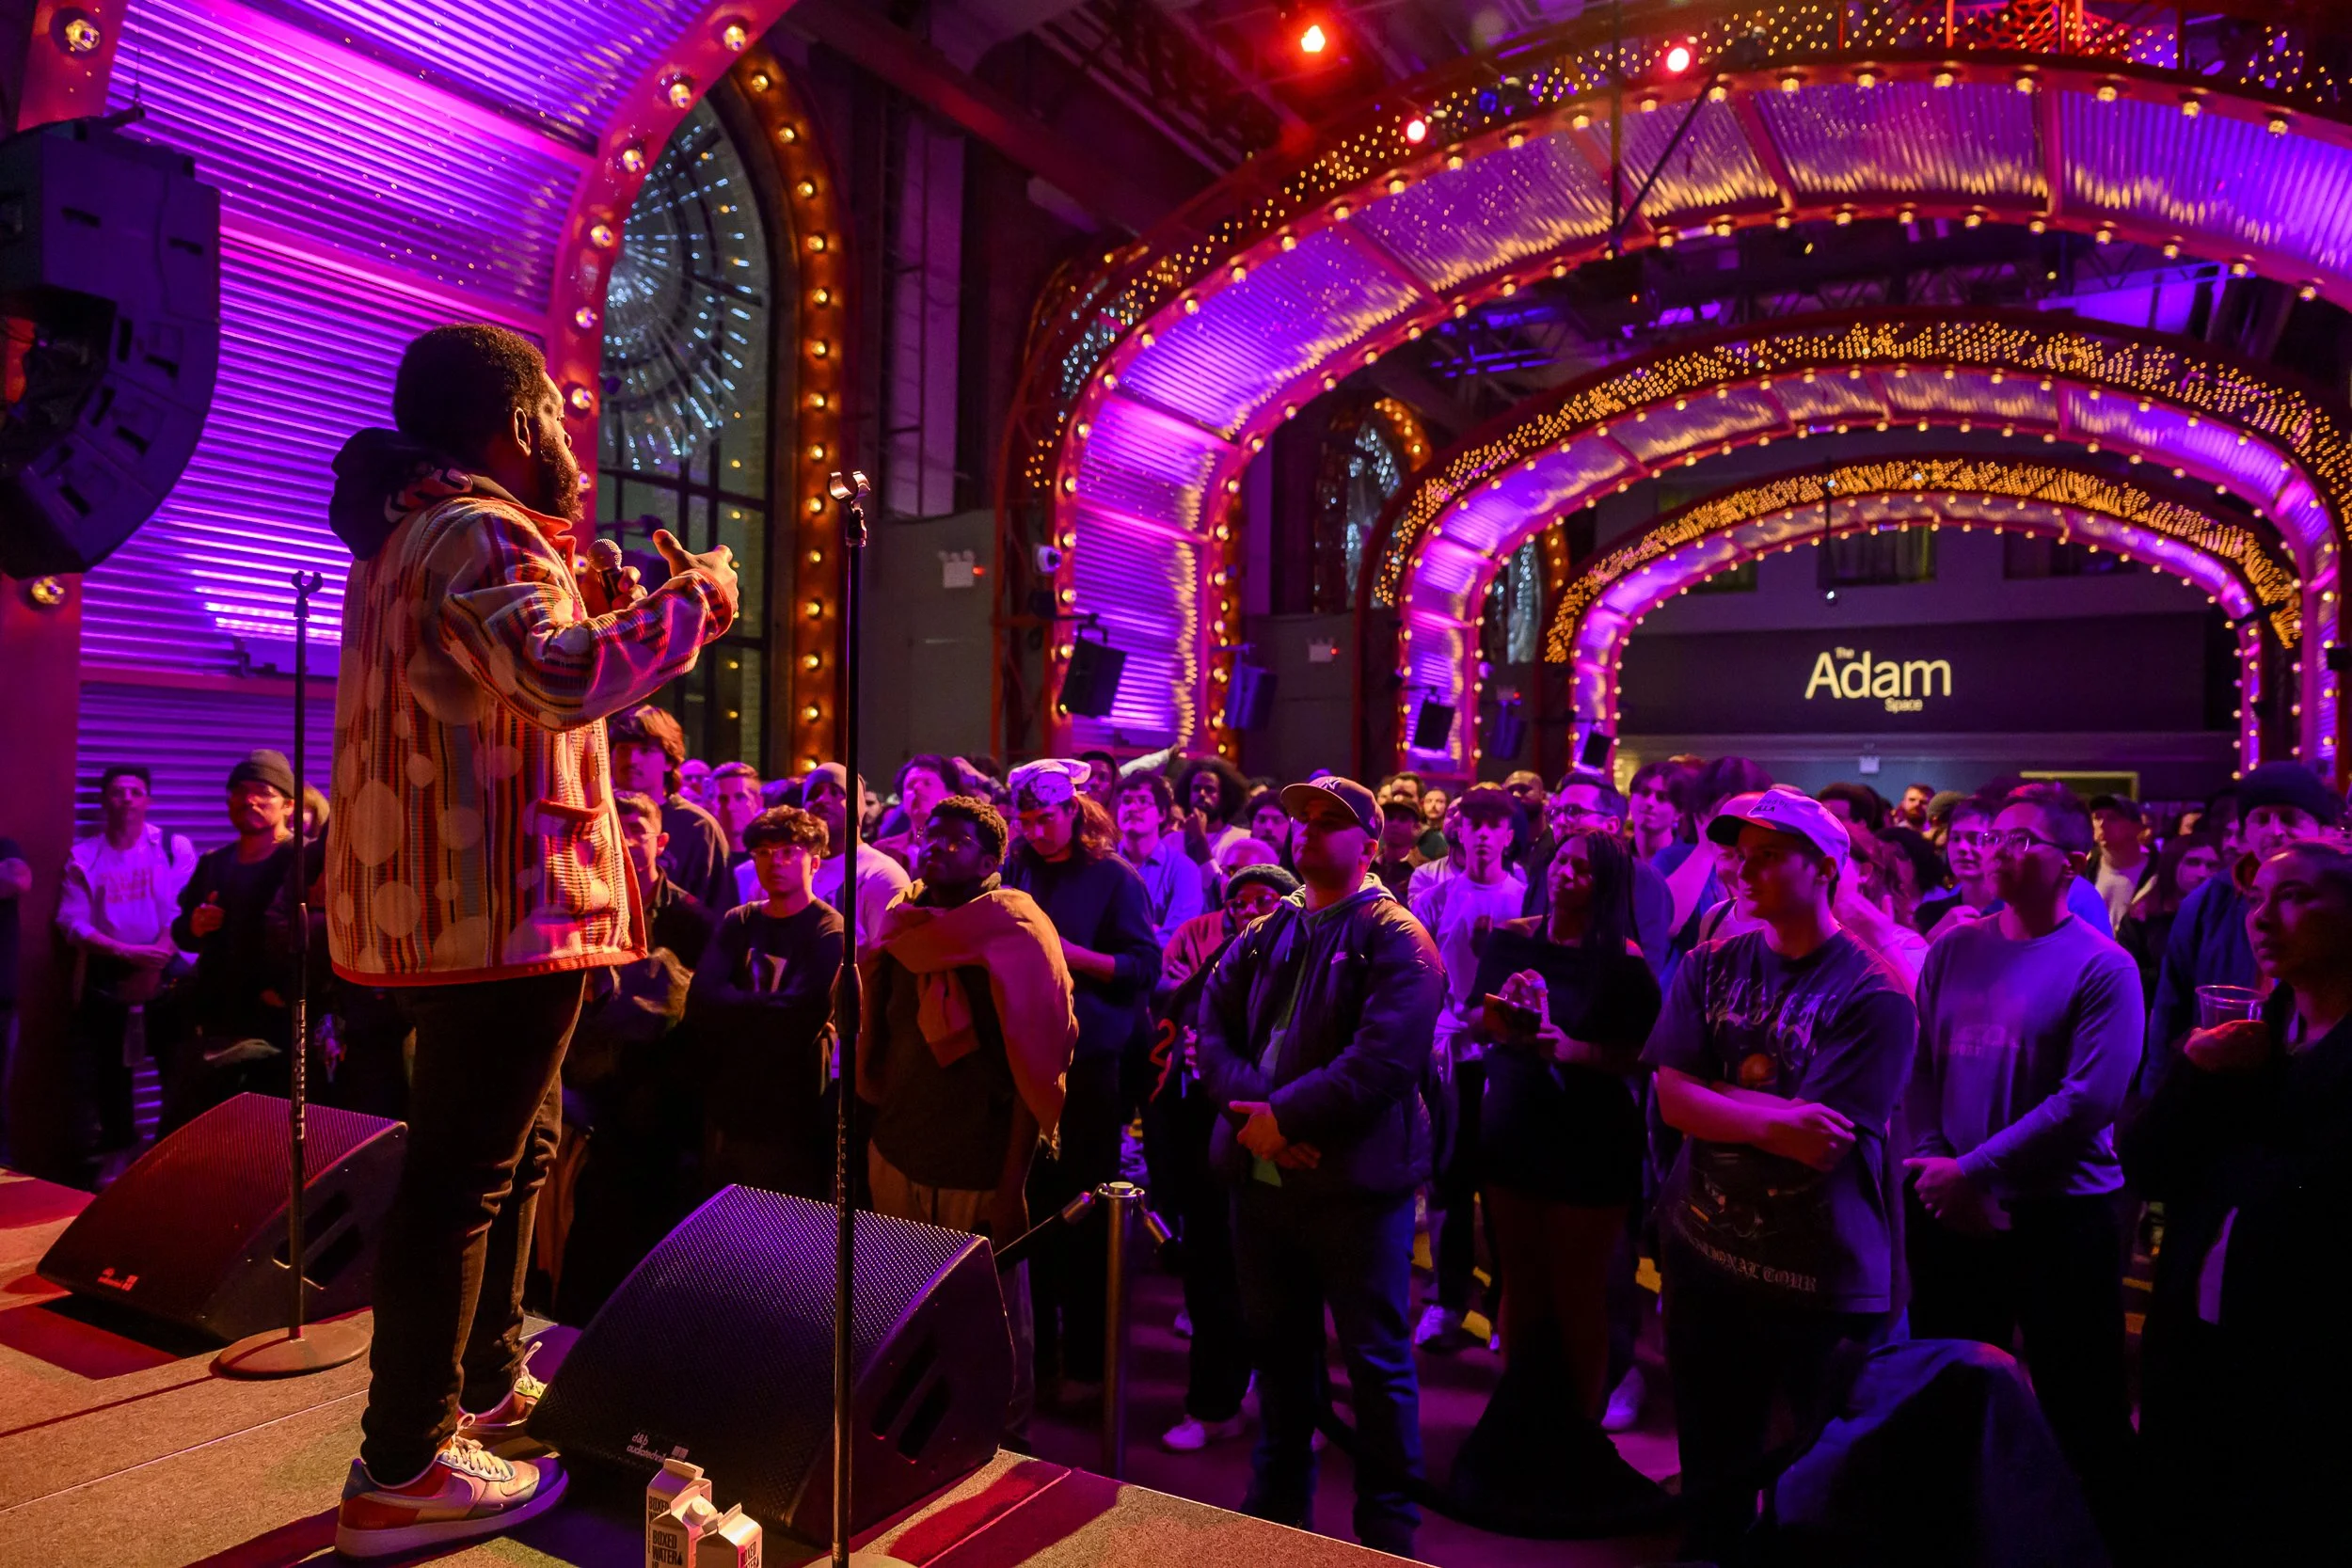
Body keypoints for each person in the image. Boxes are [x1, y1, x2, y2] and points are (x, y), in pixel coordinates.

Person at [324, 322, 736, 1557]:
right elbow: (562, 681)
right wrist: (694, 603)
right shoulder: (479, 527)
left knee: (518, 1143)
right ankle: (400, 1462)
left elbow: (502, 682)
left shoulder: (414, 535)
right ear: (511, 420)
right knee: (462, 1175)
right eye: (557, 413)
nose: (568, 437)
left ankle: (488, 1385)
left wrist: (592, 601)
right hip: (501, 903)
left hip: (452, 900)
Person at [1642, 785, 1916, 1563]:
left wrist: (1715, 1096)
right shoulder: (1709, 962)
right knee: (1712, 1478)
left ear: (1825, 866)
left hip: (1821, 1281)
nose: (1743, 870)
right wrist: (1771, 1115)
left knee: (1819, 1491)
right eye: (1740, 854)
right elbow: (1671, 1096)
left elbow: (1823, 1143)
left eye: (1768, 856)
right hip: (1707, 1262)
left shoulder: (1875, 990)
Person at [1195, 775, 1445, 1558]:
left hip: (1355, 1186)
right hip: (1263, 1174)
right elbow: (1212, 1033)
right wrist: (1263, 1120)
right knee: (1279, 1351)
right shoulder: (1272, 928)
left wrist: (1285, 1118)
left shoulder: (1397, 936)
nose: (1307, 830)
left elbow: (1382, 1063)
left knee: (1375, 1360)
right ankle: (1276, 1507)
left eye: (1331, 822)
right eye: (1304, 817)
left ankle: (1387, 1528)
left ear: (1370, 845)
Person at [1903, 784, 2142, 1546]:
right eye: (1993, 835)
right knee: (1948, 1388)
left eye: (2021, 840)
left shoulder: (2103, 966)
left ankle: (2098, 1542)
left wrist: (1973, 1169)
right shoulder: (1953, 948)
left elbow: (2086, 1103)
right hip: (1949, 1204)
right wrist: (1944, 1169)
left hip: (2059, 1215)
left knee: (2083, 1406)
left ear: (2072, 861)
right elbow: (1919, 1070)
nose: (1999, 850)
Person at [2122, 841, 2352, 1564]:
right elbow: (2148, 1165)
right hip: (2199, 1338)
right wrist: (2195, 1071)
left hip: (2304, 1362)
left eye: (2295, 896)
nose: (2264, 917)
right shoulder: (2254, 1035)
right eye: (2256, 899)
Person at [860, 795, 1077, 1435]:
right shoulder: (905, 924)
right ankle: (919, 1428)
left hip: (979, 1162)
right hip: (901, 1146)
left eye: (955, 842)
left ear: (989, 859)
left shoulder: (1016, 930)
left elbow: (1033, 1068)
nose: (934, 846)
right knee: (904, 1309)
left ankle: (1001, 1434)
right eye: (931, 835)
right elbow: (882, 1026)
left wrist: (1012, 1185)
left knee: (989, 1316)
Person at [1467, 827, 1661, 1416]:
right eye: (1559, 862)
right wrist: (1508, 1015)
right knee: (1521, 1281)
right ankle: (1522, 1418)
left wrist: (1572, 1049)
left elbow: (1647, 1054)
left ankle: (1578, 1428)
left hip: (1590, 1133)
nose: (1564, 874)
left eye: (1581, 868)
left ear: (1604, 885)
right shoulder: (1512, 940)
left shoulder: (1622, 959)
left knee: (1579, 1291)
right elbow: (1474, 1016)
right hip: (1516, 1118)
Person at [1001, 759, 1162, 1406]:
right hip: (1026, 1057)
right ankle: (1035, 1366)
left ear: (1075, 811)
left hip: (1091, 1064)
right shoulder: (1019, 868)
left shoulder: (1114, 877)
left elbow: (1143, 966)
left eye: (1049, 816)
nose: (1039, 829)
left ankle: (1091, 1367)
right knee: (1030, 1217)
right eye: (1029, 820)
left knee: (1088, 1220)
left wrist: (1069, 953)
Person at [1151, 863, 1299, 1454]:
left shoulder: (1306, 969)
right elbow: (1168, 1066)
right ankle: (1214, 1406)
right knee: (1212, 1282)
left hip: (1286, 1143)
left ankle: (1294, 1411)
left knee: (1288, 1287)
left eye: (1267, 900)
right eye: (1241, 901)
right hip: (1215, 1147)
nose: (1252, 910)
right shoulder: (1211, 970)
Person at [1410, 784, 1526, 1353]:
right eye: (1473, 824)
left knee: (1504, 1180)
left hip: (1504, 1055)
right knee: (1449, 1180)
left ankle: (1507, 1303)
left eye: (1493, 825)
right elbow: (1418, 971)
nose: (1482, 834)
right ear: (1460, 831)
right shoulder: (1436, 896)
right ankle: (1447, 1300)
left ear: (1508, 835)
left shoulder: (1525, 896)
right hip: (1450, 1051)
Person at [2147, 761, 2344, 1072]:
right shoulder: (2208, 902)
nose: (2275, 831)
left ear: (2322, 828)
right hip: (2223, 1083)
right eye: (2261, 820)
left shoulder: (2338, 902)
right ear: (2245, 830)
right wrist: (2157, 1090)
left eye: (2290, 818)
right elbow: (2171, 1005)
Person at [689, 806, 842, 1199]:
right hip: (733, 1096)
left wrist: (736, 1006)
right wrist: (767, 1010)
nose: (775, 862)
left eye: (789, 851)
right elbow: (702, 1000)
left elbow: (803, 1017)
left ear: (815, 861)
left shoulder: (828, 929)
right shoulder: (739, 920)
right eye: (763, 852)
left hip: (794, 1101)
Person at [55, 765, 197, 1174]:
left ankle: (177, 1157)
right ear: (104, 801)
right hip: (110, 978)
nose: (128, 799)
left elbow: (183, 911)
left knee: (177, 1070)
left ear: (148, 800)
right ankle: (119, 1153)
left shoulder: (172, 847)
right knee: (111, 1077)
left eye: (136, 791)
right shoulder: (85, 856)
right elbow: (72, 921)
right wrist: (126, 954)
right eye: (118, 792)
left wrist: (155, 959)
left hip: (167, 974)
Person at [168, 750, 304, 1118]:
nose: (249, 799)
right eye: (240, 790)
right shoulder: (215, 863)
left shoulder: (304, 859)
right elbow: (182, 932)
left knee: (267, 1135)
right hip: (218, 1024)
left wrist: (286, 993)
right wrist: (194, 925)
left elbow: (325, 938)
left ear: (289, 805)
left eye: (263, 791)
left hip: (278, 1030)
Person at [609, 705, 732, 911]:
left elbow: (719, 910)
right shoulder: (595, 818)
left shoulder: (697, 826)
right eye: (623, 749)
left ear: (669, 761)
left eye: (645, 750)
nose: (632, 760)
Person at [799, 763, 909, 961]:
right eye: (814, 794)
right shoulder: (795, 869)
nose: (822, 800)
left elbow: (889, 961)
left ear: (857, 806)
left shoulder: (881, 874)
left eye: (836, 792)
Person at [2118, 832, 2219, 999]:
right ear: (2171, 865)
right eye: (2193, 863)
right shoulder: (2142, 916)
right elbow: (2127, 972)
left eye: (2211, 865)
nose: (2203, 873)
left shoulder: (2219, 918)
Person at [1117, 771, 1206, 946]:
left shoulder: (1184, 870)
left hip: (1157, 969)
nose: (1133, 808)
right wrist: (1150, 930)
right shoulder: (1101, 862)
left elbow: (1179, 935)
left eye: (1143, 801)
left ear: (1162, 814)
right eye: (1126, 801)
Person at [872, 753, 958, 871]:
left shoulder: (961, 848)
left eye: (928, 783)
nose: (917, 788)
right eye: (910, 785)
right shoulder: (883, 851)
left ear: (951, 795)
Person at [1175, 755, 1252, 867]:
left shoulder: (1242, 840)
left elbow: (1221, 884)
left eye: (1209, 789)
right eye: (1196, 788)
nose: (1201, 794)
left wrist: (1200, 840)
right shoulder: (1172, 840)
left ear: (1225, 796)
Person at [2088, 794, 2149, 931]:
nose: (2102, 823)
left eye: (2113, 818)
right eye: (2097, 817)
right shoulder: (2084, 870)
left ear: (2136, 827)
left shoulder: (2155, 874)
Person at [1628, 759, 1691, 863]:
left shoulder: (1691, 861)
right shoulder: (1614, 858)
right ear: (1631, 799)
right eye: (1644, 793)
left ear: (1679, 812)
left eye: (1662, 797)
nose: (1650, 802)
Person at [707, 760, 764, 863]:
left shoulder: (769, 857)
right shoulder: (702, 857)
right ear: (712, 805)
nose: (730, 807)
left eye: (740, 798)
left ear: (758, 802)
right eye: (723, 799)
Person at [1369, 795, 1422, 898]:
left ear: (1416, 828)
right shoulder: (1368, 864)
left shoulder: (1423, 870)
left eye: (1403, 819)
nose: (1394, 824)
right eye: (1390, 818)